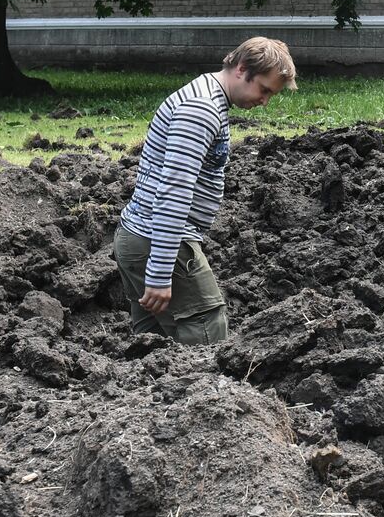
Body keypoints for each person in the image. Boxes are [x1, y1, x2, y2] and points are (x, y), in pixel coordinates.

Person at [114, 37, 297, 343]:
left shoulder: (205, 96)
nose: (265, 101)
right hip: (157, 241)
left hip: (141, 238)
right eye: (264, 90)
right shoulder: (201, 109)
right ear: (242, 69)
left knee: (152, 347)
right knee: (208, 332)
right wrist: (160, 272)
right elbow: (174, 190)